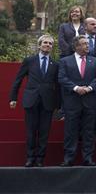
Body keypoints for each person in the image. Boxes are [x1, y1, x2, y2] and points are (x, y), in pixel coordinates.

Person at [9, 35, 60, 167]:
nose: (47, 45)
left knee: (44, 132)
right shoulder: (29, 61)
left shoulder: (55, 64)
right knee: (31, 132)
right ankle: (30, 157)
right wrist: (13, 98)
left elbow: (58, 86)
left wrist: (58, 105)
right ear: (39, 45)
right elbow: (18, 80)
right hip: (31, 100)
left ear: (52, 47)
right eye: (45, 43)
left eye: (50, 44)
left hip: (48, 103)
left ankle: (40, 159)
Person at [58, 36, 96, 166]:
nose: (87, 46)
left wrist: (89, 88)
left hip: (90, 101)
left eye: (87, 44)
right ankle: (69, 158)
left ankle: (87, 158)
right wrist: (76, 88)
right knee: (70, 131)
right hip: (72, 101)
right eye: (84, 44)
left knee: (89, 131)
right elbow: (62, 78)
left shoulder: (95, 61)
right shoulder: (65, 61)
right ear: (76, 47)